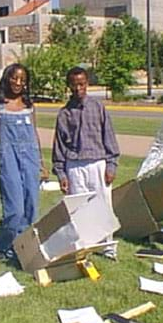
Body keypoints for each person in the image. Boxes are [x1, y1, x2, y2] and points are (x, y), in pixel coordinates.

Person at [0, 63, 49, 262]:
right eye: (14, 78)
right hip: (9, 159)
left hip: (30, 158)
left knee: (31, 207)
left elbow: (34, 134)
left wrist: (41, 163)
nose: (18, 83)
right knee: (14, 209)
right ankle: (4, 245)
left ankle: (22, 247)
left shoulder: (29, 105)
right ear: (7, 78)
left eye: (22, 80)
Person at [52, 66, 120, 260]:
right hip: (74, 166)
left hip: (98, 163)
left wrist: (111, 164)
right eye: (74, 85)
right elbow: (59, 145)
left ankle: (108, 247)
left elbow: (109, 136)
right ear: (69, 87)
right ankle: (84, 246)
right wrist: (61, 173)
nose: (78, 89)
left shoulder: (98, 107)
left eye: (81, 84)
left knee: (103, 205)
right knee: (79, 208)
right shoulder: (64, 114)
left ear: (87, 84)